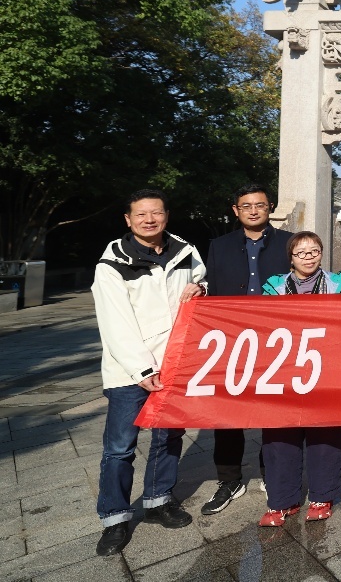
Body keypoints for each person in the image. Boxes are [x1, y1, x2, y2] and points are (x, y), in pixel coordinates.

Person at [92, 189, 206, 556]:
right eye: (140, 214)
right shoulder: (112, 264)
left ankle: (158, 500)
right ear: (128, 219)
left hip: (174, 362)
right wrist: (141, 367)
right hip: (130, 371)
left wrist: (201, 287)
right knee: (119, 447)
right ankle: (114, 517)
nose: (149, 220)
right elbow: (115, 323)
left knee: (168, 437)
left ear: (166, 215)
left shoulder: (184, 251)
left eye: (156, 213)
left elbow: (202, 278)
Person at [199, 183, 293, 515]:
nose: (253, 211)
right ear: (235, 210)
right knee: (226, 412)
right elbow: (210, 287)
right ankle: (229, 480)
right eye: (246, 206)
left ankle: (272, 471)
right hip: (231, 339)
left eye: (260, 205)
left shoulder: (288, 243)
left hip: (276, 339)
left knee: (274, 409)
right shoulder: (219, 246)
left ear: (270, 207)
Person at [257, 232, 341, 526]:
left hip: (327, 369)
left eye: (314, 251)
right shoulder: (274, 287)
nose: (308, 257)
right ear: (291, 257)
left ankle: (322, 496)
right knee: (280, 436)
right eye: (301, 253)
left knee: (325, 434)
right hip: (283, 370)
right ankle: (282, 501)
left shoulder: (340, 284)